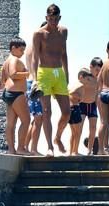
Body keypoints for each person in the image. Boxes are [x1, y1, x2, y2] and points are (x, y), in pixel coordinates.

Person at [31, 3, 70, 157]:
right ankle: (49, 147)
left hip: (58, 73)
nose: (53, 21)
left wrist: (67, 73)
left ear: (59, 18)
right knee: (47, 111)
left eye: (56, 19)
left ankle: (57, 138)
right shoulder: (39, 34)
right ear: (46, 17)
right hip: (44, 74)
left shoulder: (64, 32)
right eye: (50, 18)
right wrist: (34, 79)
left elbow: (64, 53)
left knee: (67, 112)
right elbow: (34, 57)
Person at [0, 37, 31, 155]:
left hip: (8, 93)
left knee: (11, 123)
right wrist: (27, 73)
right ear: (14, 48)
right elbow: (13, 74)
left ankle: (11, 150)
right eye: (21, 50)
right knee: (26, 120)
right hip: (17, 94)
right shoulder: (14, 59)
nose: (23, 53)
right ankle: (21, 148)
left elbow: (2, 80)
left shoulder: (6, 61)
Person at [23, 23, 47, 156]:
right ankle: (33, 149)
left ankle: (27, 147)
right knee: (39, 118)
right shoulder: (37, 45)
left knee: (36, 118)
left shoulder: (31, 45)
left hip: (30, 83)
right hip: (35, 84)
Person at [67, 68, 95, 156]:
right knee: (77, 132)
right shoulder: (80, 85)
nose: (88, 82)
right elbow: (68, 93)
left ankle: (71, 151)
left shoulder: (74, 84)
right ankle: (75, 152)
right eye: (87, 79)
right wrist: (78, 97)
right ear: (81, 77)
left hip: (70, 109)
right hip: (75, 109)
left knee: (74, 132)